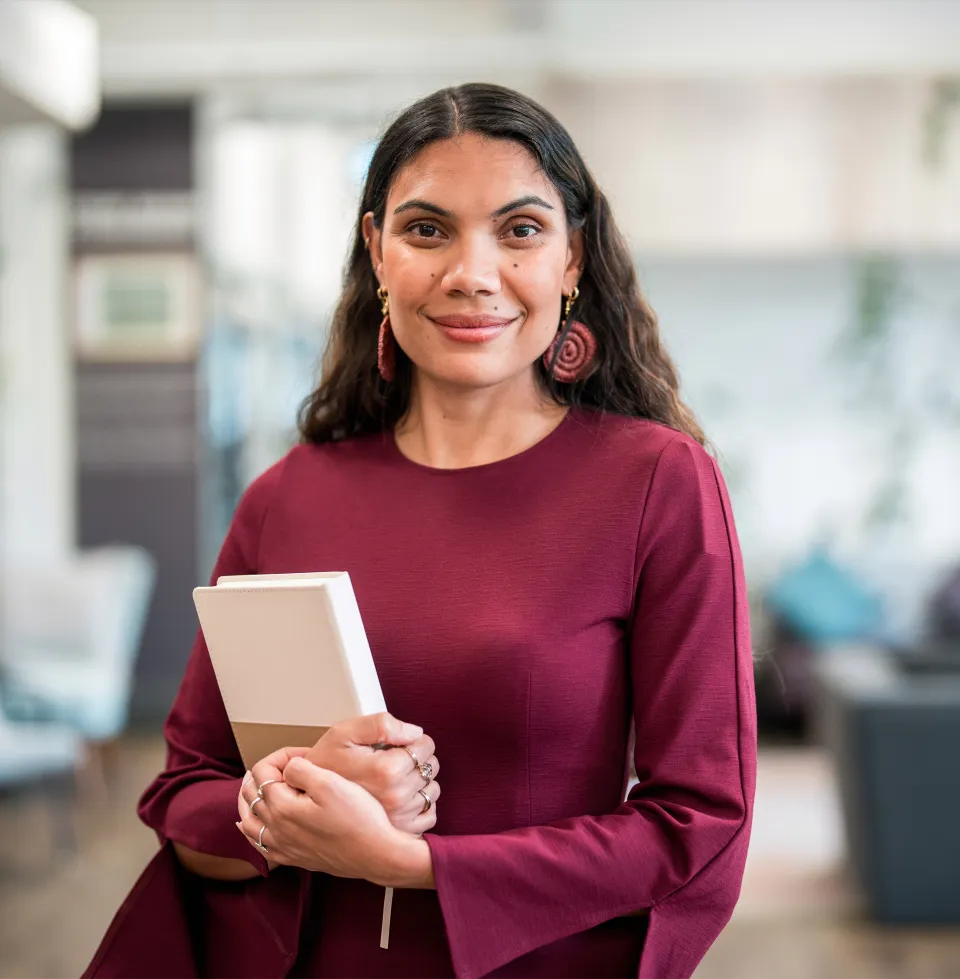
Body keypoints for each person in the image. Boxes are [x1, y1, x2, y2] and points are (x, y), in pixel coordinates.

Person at [83, 83, 756, 979]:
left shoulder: (659, 484)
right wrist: (289, 800)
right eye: (427, 230)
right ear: (377, 251)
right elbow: (183, 797)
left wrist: (410, 863)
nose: (471, 273)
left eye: (519, 231)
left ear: (572, 260)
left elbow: (700, 821)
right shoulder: (287, 497)